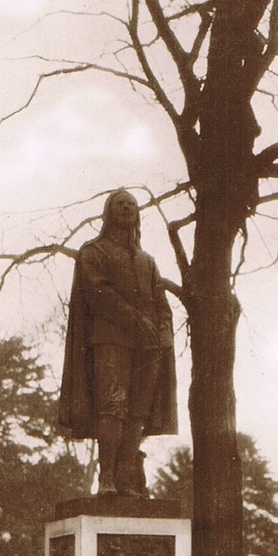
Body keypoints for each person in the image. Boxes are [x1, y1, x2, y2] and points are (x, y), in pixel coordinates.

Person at [58, 188, 178, 496]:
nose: (127, 209)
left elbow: (162, 302)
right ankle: (106, 479)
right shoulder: (94, 252)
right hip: (111, 341)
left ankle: (125, 479)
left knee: (138, 412)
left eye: (132, 205)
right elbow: (100, 295)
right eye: (121, 204)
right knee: (113, 408)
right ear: (109, 212)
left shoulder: (147, 261)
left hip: (148, 347)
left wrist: (163, 333)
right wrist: (138, 321)